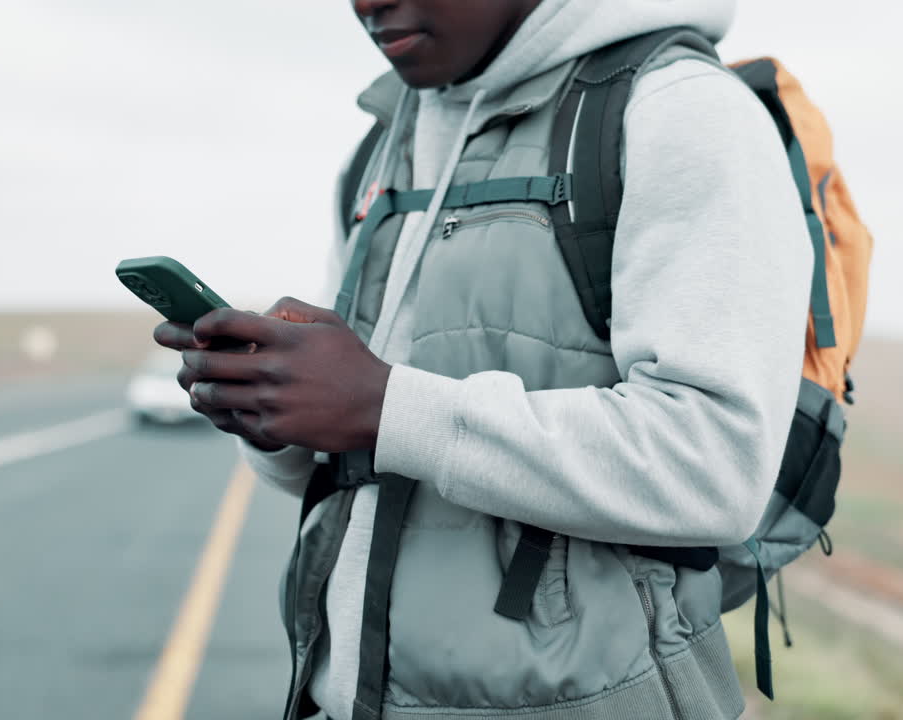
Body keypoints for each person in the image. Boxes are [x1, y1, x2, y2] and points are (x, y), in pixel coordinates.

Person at [154, 1, 812, 718]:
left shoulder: (681, 113)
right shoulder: (382, 146)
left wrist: (381, 405)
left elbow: (716, 467)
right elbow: (367, 451)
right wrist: (277, 416)